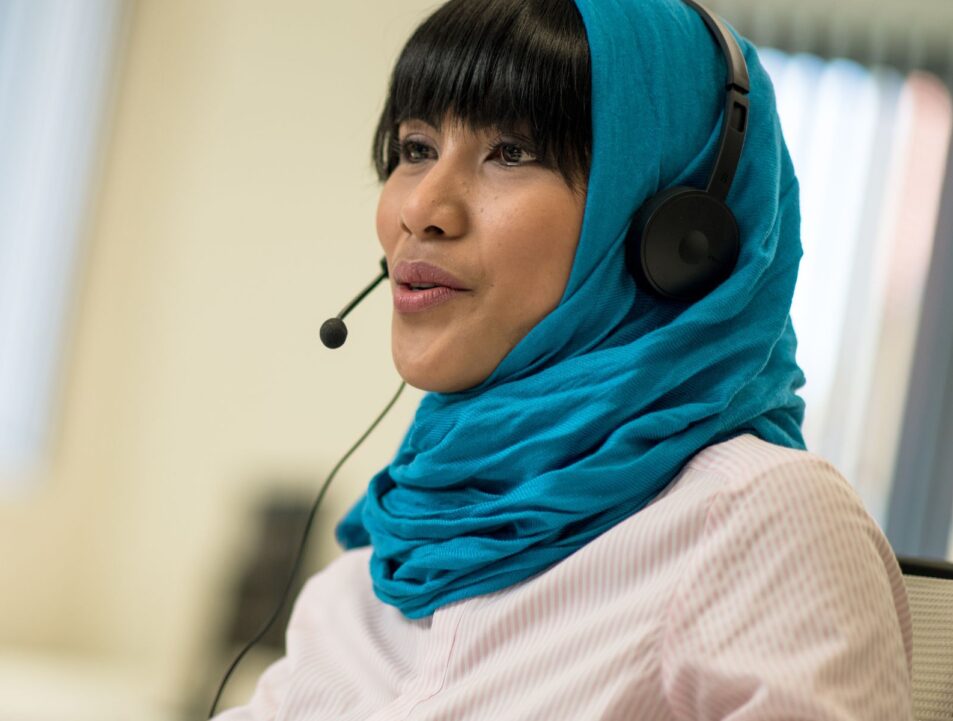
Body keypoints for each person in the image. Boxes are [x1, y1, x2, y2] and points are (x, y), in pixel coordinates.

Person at [214, 0, 914, 718]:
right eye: (416, 148)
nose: (421, 209)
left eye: (511, 153)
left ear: (672, 228)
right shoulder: (362, 583)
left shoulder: (756, 523)